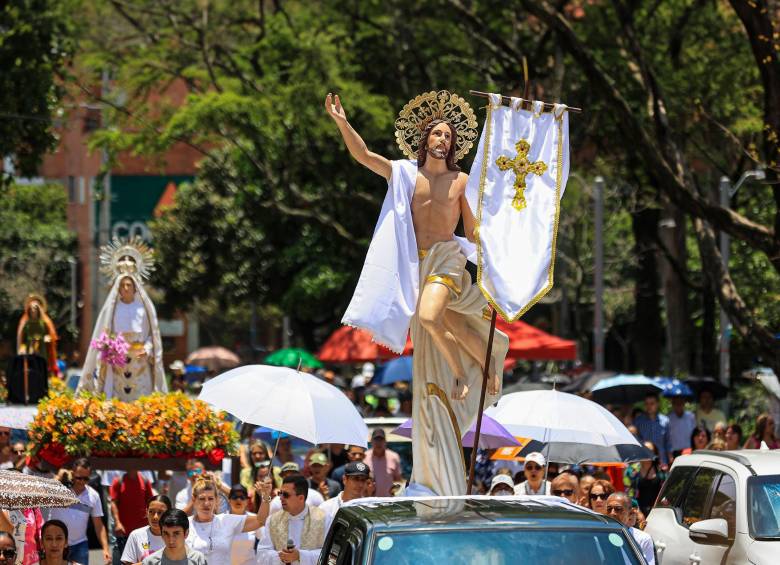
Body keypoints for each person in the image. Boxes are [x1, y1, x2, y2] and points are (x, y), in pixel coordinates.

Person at [327, 91, 509, 497]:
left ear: (453, 143)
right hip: (417, 263)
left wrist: (496, 257)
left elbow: (472, 231)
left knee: (429, 318)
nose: (442, 140)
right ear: (425, 138)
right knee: (427, 336)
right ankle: (486, 363)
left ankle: (467, 371)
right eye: (436, 133)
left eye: (448, 135)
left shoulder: (461, 181)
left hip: (446, 258)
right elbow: (364, 156)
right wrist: (342, 122)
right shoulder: (406, 174)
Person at [77, 240, 167, 401]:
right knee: (117, 400)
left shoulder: (144, 309)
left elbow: (151, 336)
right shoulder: (112, 309)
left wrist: (147, 348)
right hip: (117, 362)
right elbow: (106, 333)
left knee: (141, 401)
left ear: (135, 287)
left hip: (139, 361)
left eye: (129, 285)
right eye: (123, 285)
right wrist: (109, 348)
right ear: (118, 288)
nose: (126, 288)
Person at [256, 476, 333, 565]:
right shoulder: (273, 520)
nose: (281, 498)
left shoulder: (323, 518)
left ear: (301, 498)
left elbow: (331, 554)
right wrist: (280, 556)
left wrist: (300, 556)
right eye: (280, 493)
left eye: (286, 495)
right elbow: (262, 552)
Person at [48, 459, 110, 565]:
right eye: (78, 478)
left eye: (85, 478)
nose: (81, 481)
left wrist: (105, 549)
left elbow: (99, 525)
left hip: (80, 544)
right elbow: (45, 493)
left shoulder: (93, 495)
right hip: (55, 543)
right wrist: (58, 477)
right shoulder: (59, 489)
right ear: (72, 473)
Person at [184, 478, 262, 564]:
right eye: (202, 498)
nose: (206, 503)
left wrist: (265, 497)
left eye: (210, 499)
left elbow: (261, 520)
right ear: (194, 500)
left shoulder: (226, 520)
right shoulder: (184, 524)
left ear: (217, 500)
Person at [111, 471, 155, 563]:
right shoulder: (118, 481)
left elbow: (151, 502)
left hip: (142, 534)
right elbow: (113, 503)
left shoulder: (145, 481)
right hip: (124, 533)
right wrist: (117, 523)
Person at [120, 495, 172, 565]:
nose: (155, 517)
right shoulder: (136, 535)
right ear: (146, 512)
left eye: (160, 512)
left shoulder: (177, 536)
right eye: (151, 512)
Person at [605, 493, 655, 565]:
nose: (612, 513)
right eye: (609, 509)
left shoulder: (643, 538)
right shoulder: (597, 535)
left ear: (630, 513)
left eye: (618, 509)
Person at [141, 510, 206, 565]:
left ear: (186, 533)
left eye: (176, 533)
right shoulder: (150, 562)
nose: (171, 540)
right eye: (166, 533)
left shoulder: (199, 560)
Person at [16, 294, 59, 376]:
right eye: (31, 308)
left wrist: (48, 338)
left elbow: (51, 335)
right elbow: (22, 338)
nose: (33, 310)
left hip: (41, 347)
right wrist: (22, 347)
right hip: (29, 347)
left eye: (35, 308)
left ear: (39, 309)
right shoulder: (25, 323)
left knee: (41, 366)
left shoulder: (45, 322)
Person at [633, 393, 672, 468]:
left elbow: (668, 443)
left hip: (662, 462)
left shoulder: (665, 421)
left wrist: (670, 459)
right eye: (647, 404)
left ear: (657, 404)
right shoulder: (638, 421)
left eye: (652, 403)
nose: (649, 406)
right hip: (645, 462)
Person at [363, 429, 401, 497]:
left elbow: (398, 480)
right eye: (376, 439)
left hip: (389, 501)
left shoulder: (394, 457)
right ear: (371, 441)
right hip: (369, 501)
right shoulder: (364, 457)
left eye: (381, 440)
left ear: (385, 441)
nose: (378, 442)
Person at [226, 485, 258, 565]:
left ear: (247, 501)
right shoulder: (220, 520)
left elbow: (264, 546)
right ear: (229, 500)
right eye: (235, 497)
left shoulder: (256, 519)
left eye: (242, 497)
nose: (238, 500)